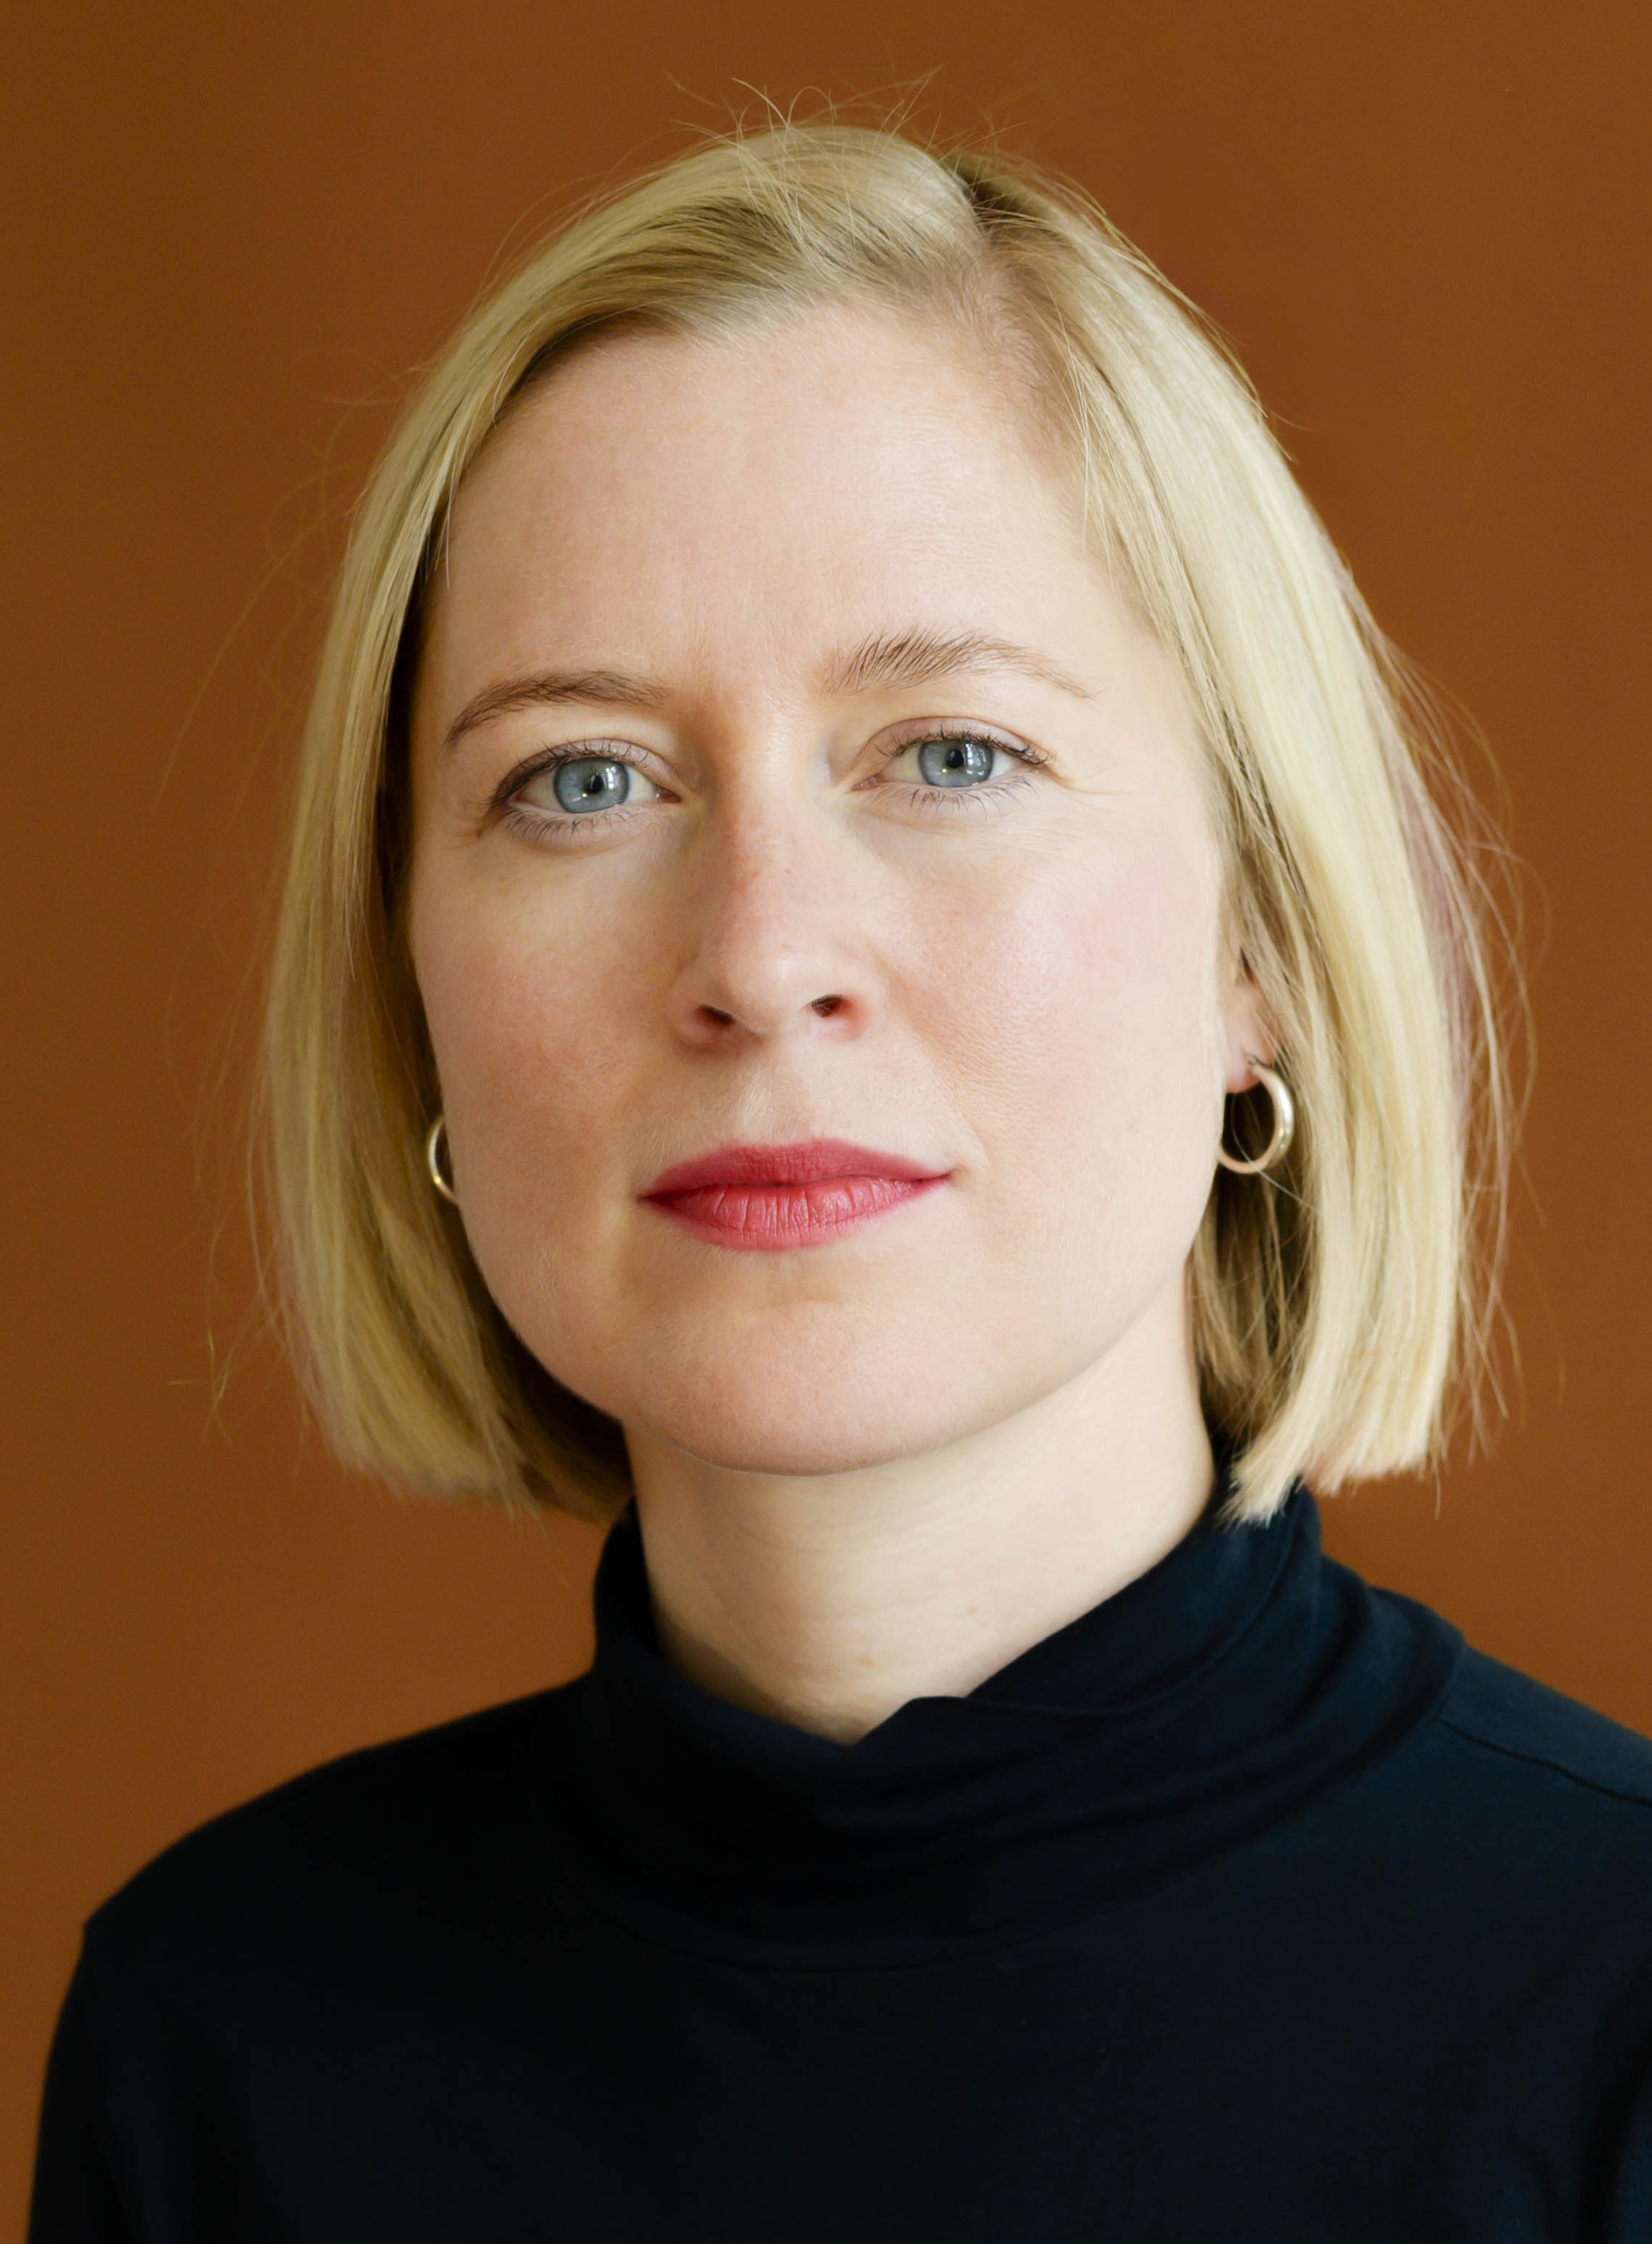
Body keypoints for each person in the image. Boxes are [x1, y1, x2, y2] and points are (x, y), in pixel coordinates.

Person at [28, 121, 1652, 2242]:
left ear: (1257, 942)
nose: (761, 953)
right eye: (582, 779)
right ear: (409, 994)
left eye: (952, 754)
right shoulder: (222, 2042)